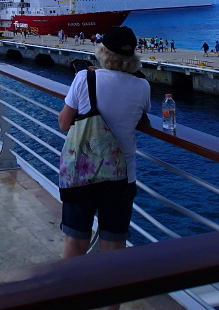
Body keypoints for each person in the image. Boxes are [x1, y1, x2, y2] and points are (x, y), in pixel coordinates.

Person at [57, 26, 150, 262]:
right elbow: (139, 115)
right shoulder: (142, 87)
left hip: (82, 173)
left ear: (102, 52)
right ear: (132, 57)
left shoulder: (84, 78)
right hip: (121, 178)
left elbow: (64, 124)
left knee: (76, 242)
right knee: (114, 244)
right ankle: (110, 299)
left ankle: (72, 297)